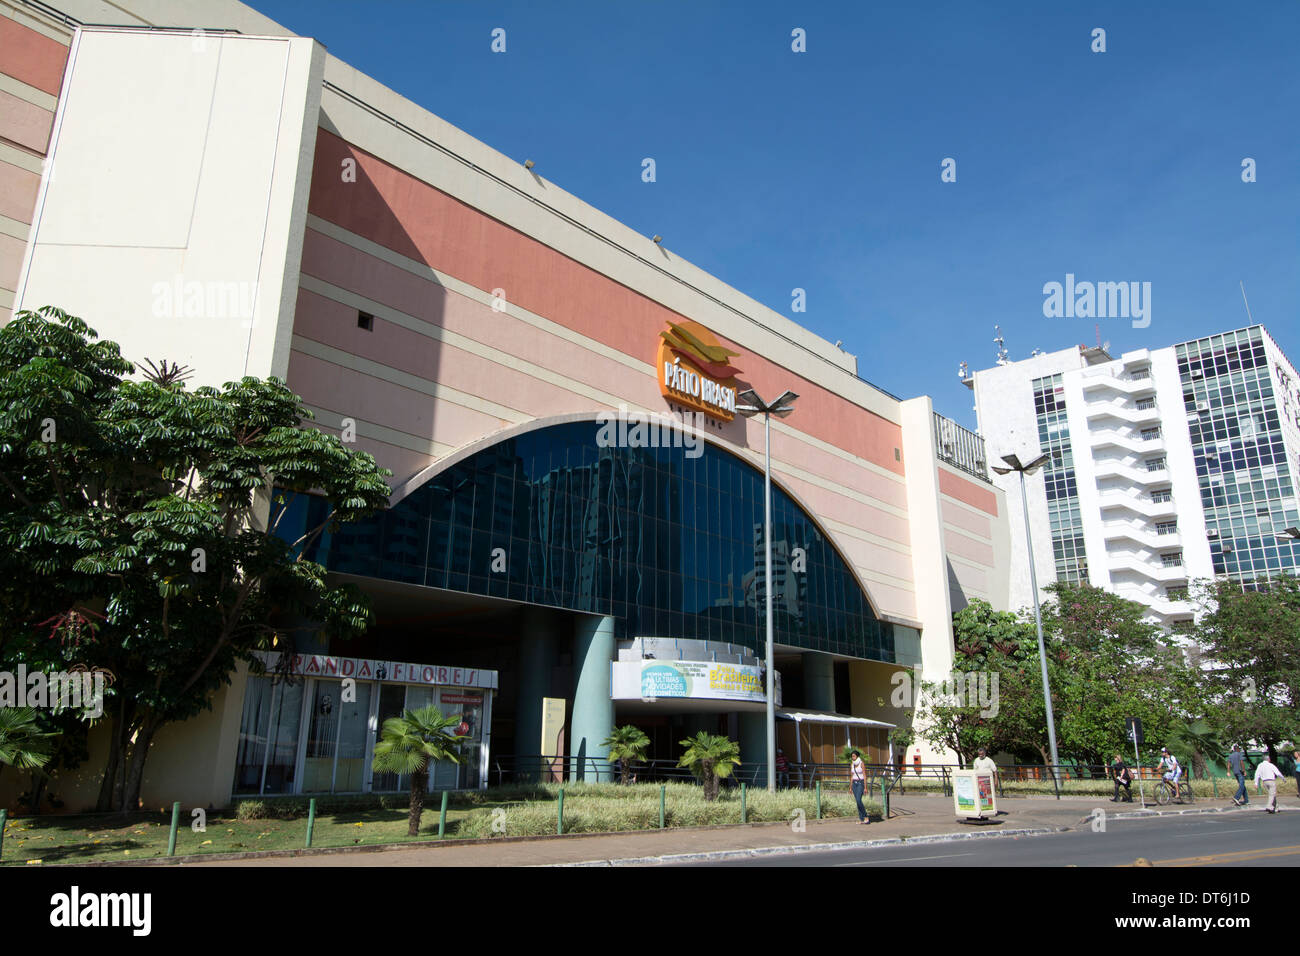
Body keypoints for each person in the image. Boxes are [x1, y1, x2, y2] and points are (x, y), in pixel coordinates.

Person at [849, 749, 869, 825]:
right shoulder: (852, 764)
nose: (852, 757)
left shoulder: (861, 763)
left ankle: (865, 816)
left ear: (857, 756)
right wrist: (850, 787)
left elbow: (864, 775)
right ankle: (861, 819)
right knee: (857, 802)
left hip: (860, 783)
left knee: (858, 800)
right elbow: (851, 776)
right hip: (854, 783)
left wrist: (865, 787)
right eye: (852, 756)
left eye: (854, 756)